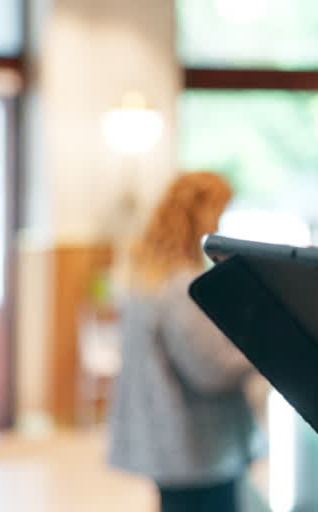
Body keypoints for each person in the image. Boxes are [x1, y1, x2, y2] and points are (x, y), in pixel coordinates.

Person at [108, 171, 261, 512]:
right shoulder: (183, 285)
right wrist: (265, 347)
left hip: (167, 439)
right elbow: (212, 371)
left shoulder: (147, 276)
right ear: (204, 215)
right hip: (198, 447)